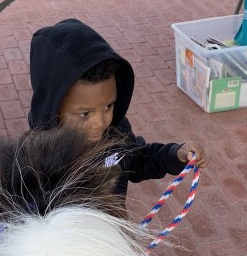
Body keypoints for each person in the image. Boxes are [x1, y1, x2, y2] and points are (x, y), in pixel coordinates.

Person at [28, 18, 207, 198]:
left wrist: (174, 154)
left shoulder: (117, 131)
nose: (100, 122)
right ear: (53, 107)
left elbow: (139, 160)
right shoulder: (34, 159)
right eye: (85, 113)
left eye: (108, 105)